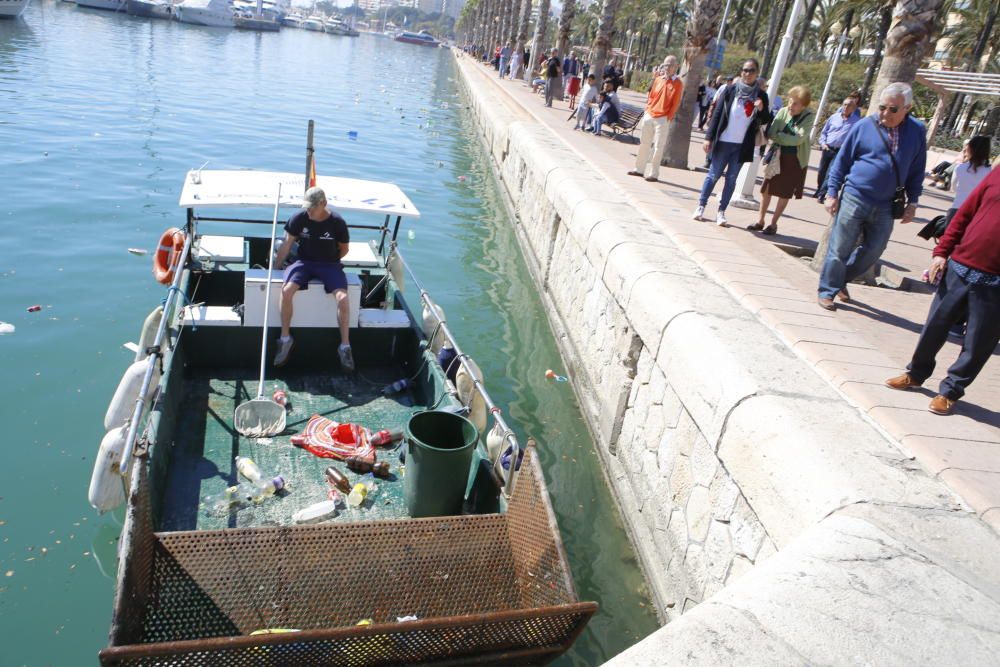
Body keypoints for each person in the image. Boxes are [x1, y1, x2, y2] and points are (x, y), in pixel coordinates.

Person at [884, 166, 1000, 415]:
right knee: (934, 326)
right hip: (960, 266)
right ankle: (915, 374)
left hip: (996, 284)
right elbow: (965, 213)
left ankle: (950, 391)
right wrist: (941, 252)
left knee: (978, 342)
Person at [816, 82, 927, 311]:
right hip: (855, 196)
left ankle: (840, 280)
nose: (885, 113)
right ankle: (827, 290)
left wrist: (913, 203)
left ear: (907, 108)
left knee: (875, 250)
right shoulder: (864, 126)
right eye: (882, 107)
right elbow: (842, 161)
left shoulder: (916, 132)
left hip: (887, 204)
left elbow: (917, 169)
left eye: (893, 109)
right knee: (839, 249)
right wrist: (831, 192)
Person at [273, 187, 354, 371]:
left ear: (323, 204)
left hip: (329, 264)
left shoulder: (338, 223)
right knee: (286, 291)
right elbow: (287, 245)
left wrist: (332, 261)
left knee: (343, 298)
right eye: (306, 207)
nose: (308, 211)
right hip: (304, 262)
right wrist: (275, 269)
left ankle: (345, 347)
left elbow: (344, 249)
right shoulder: (299, 218)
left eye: (312, 208)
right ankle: (285, 340)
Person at [694, 59, 772, 227]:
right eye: (745, 70)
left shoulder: (761, 95)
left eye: (751, 70)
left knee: (731, 179)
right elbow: (717, 114)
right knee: (713, 175)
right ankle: (701, 206)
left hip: (741, 146)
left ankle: (721, 212)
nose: (747, 73)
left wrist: (761, 108)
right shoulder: (730, 90)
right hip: (723, 141)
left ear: (757, 73)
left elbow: (766, 119)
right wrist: (708, 137)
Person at [748, 86, 814, 235]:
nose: (791, 106)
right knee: (767, 189)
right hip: (777, 155)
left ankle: (773, 224)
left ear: (804, 105)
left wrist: (781, 136)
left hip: (795, 160)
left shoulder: (809, 116)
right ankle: (761, 220)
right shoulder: (783, 111)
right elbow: (771, 132)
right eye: (790, 101)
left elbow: (798, 139)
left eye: (796, 103)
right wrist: (785, 137)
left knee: (785, 193)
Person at [628, 56, 683, 182]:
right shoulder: (658, 80)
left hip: (663, 118)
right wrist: (648, 110)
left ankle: (653, 173)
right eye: (665, 65)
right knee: (644, 143)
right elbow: (651, 96)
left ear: (676, 66)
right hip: (650, 115)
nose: (667, 67)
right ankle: (639, 169)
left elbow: (676, 103)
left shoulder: (678, 83)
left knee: (658, 147)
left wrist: (668, 117)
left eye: (670, 65)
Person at [813, 96, 861, 203]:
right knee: (822, 171)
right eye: (844, 104)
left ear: (854, 108)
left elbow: (856, 138)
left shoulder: (857, 122)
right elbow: (824, 132)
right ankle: (819, 188)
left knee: (831, 172)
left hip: (840, 151)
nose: (846, 107)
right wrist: (823, 143)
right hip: (827, 148)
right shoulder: (834, 117)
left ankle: (822, 193)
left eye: (849, 105)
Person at [944, 136, 991, 226]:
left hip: (957, 208)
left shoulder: (960, 167)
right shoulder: (990, 172)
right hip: (976, 214)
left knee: (948, 238)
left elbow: (953, 188)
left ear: (969, 148)